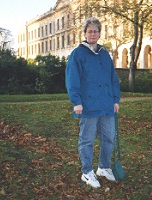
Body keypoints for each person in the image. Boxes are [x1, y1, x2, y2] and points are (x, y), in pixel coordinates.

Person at [65, 17, 121, 188]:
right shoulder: (78, 54)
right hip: (87, 105)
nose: (93, 34)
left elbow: (113, 79)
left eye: (95, 31)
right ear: (84, 33)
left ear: (99, 33)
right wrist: (76, 102)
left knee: (109, 138)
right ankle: (87, 172)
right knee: (87, 140)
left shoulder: (104, 54)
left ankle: (103, 167)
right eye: (89, 31)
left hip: (106, 105)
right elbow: (72, 79)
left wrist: (115, 99)